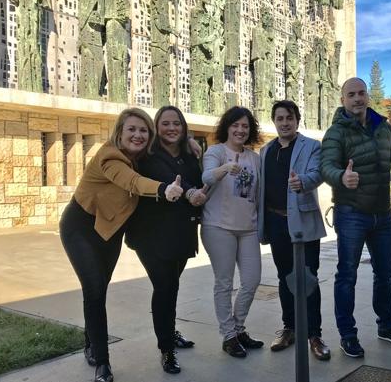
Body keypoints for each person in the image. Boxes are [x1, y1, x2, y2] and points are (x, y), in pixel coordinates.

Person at [59, 108, 183, 382]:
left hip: (110, 230)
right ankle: (102, 363)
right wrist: (164, 189)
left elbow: (169, 149)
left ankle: (90, 340)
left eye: (143, 131)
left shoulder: (140, 158)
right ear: (120, 132)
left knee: (98, 288)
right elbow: (132, 182)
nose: (138, 135)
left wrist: (191, 145)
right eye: (132, 129)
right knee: (94, 291)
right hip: (80, 227)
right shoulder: (110, 155)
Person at [320, 77, 391, 358]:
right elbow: (326, 167)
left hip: (383, 214)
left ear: (367, 96)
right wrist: (341, 177)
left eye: (361, 93)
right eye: (351, 95)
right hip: (351, 214)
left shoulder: (383, 127)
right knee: (346, 275)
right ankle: (348, 334)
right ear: (343, 100)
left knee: (386, 274)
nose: (357, 99)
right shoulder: (336, 132)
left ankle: (387, 325)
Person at [125, 106, 208, 374]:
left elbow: (198, 181)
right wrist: (189, 193)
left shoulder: (189, 155)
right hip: (151, 235)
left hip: (181, 234)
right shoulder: (147, 156)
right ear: (156, 127)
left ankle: (169, 333)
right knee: (165, 287)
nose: (171, 128)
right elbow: (165, 181)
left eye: (177, 124)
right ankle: (166, 349)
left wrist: (194, 143)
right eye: (165, 124)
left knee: (171, 286)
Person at [257, 100, 330, 361]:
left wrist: (303, 182)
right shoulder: (266, 151)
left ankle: (314, 334)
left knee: (308, 277)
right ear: (274, 121)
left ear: (297, 120)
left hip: (303, 221)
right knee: (284, 276)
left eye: (289, 117)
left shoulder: (312, 146)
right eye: (279, 118)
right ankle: (289, 327)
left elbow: (317, 173)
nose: (284, 122)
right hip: (277, 223)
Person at [201, 106, 264, 358]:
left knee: (251, 280)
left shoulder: (254, 158)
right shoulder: (216, 152)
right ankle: (228, 336)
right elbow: (206, 176)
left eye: (245, 126)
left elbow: (258, 194)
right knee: (224, 283)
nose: (240, 130)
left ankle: (238, 328)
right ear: (227, 127)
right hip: (218, 227)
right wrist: (225, 168)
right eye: (235, 125)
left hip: (248, 229)